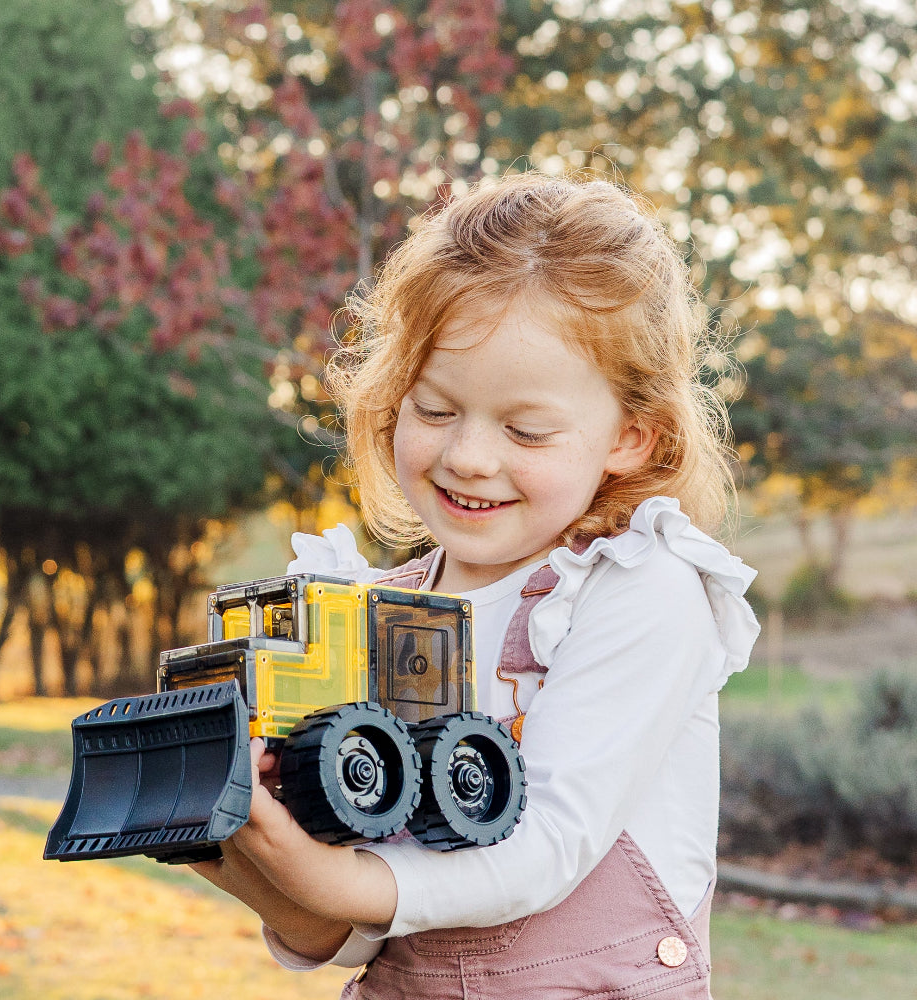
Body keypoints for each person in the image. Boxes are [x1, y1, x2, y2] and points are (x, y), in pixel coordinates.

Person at [191, 172, 760, 999]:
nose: (468, 456)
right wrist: (271, 869)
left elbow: (548, 848)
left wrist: (334, 885)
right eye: (433, 410)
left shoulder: (640, 588)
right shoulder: (377, 608)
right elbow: (369, 921)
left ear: (632, 438)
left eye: (524, 429)